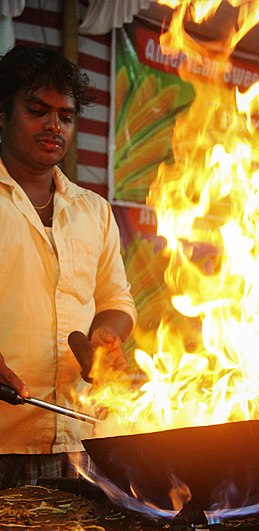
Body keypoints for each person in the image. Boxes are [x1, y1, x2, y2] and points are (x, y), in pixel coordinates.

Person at [0, 45, 136, 488]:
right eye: (37, 111)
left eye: (66, 116)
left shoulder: (93, 210)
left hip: (80, 439)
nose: (54, 126)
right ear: (3, 114)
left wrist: (107, 333)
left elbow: (116, 299)